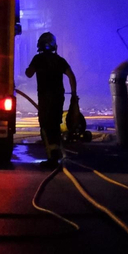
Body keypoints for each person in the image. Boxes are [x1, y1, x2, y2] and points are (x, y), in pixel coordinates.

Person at [24, 31, 77, 165]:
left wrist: (28, 69)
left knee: (45, 126)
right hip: (58, 98)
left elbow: (29, 74)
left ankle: (51, 157)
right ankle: (55, 155)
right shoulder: (60, 61)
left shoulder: (38, 59)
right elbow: (71, 76)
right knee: (54, 124)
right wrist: (74, 95)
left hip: (45, 98)